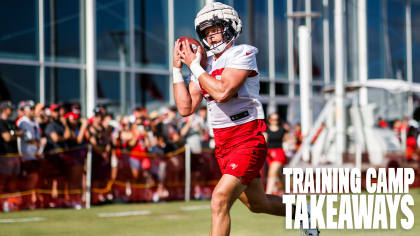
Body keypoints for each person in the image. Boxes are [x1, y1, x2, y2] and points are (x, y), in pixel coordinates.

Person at [172, 2, 318, 235]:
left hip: (247, 138)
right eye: (207, 32)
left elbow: (222, 92)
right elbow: (185, 107)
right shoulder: (204, 65)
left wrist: (196, 69)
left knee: (219, 199)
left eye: (215, 29)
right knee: (258, 204)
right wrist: (178, 70)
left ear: (230, 27)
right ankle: (302, 210)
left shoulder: (242, 52)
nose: (211, 36)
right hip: (222, 143)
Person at [263, 113, 289, 195]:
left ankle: (268, 194)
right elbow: (264, 142)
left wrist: (287, 148)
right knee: (279, 174)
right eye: (273, 119)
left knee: (272, 172)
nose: (275, 121)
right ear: (269, 120)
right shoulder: (266, 130)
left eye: (276, 119)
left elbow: (288, 140)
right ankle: (286, 192)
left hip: (279, 153)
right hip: (270, 154)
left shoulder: (282, 130)